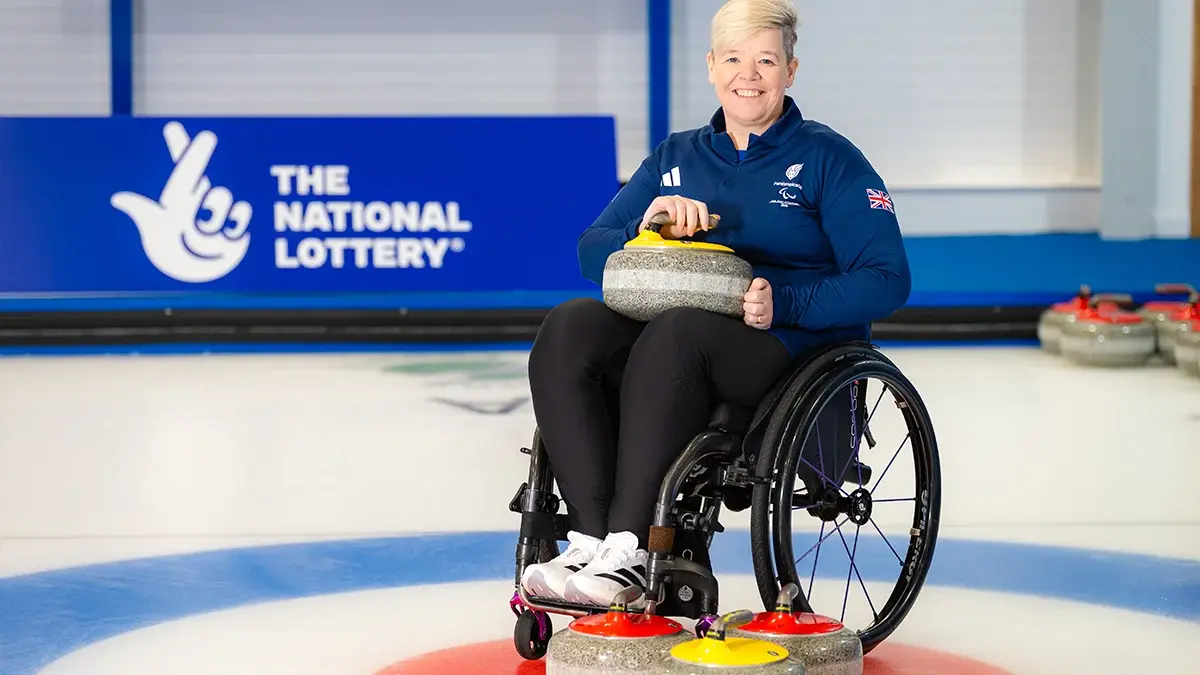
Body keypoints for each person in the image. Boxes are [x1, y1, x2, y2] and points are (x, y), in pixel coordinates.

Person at [520, 0, 911, 608]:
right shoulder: (678, 157)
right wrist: (645, 229)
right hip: (676, 338)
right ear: (710, 66)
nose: (747, 75)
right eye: (733, 58)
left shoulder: (830, 159)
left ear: (791, 70)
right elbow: (591, 252)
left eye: (765, 60)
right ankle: (591, 537)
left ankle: (634, 546)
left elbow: (888, 279)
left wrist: (785, 300)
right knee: (570, 326)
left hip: (783, 344)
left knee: (678, 333)